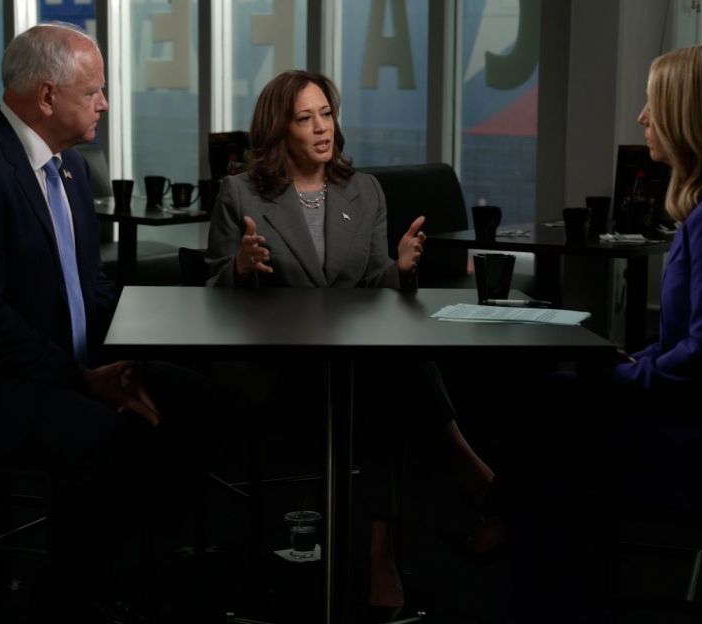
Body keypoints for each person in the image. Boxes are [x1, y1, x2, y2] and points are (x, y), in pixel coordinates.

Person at [463, 44, 702, 617]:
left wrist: (625, 374)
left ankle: (529, 559)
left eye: (653, 104)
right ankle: (524, 541)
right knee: (563, 397)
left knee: (556, 408)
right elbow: (698, 346)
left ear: (691, 117)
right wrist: (632, 364)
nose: (643, 117)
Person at [0, 22, 213, 623]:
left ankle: (120, 564)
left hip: (63, 369)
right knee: (110, 437)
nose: (104, 103)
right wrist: (83, 379)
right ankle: (68, 597)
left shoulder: (70, 170)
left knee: (193, 397)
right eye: (93, 91)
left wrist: (152, 333)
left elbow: (90, 291)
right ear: (46, 97)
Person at [205, 69, 495, 615]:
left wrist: (401, 270)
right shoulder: (240, 191)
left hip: (355, 366)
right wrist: (241, 269)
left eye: (327, 114)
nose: (321, 129)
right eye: (304, 118)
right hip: (280, 368)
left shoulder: (363, 192)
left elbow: (370, 286)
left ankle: (380, 553)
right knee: (388, 372)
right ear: (278, 129)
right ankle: (470, 485)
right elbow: (214, 291)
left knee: (382, 372)